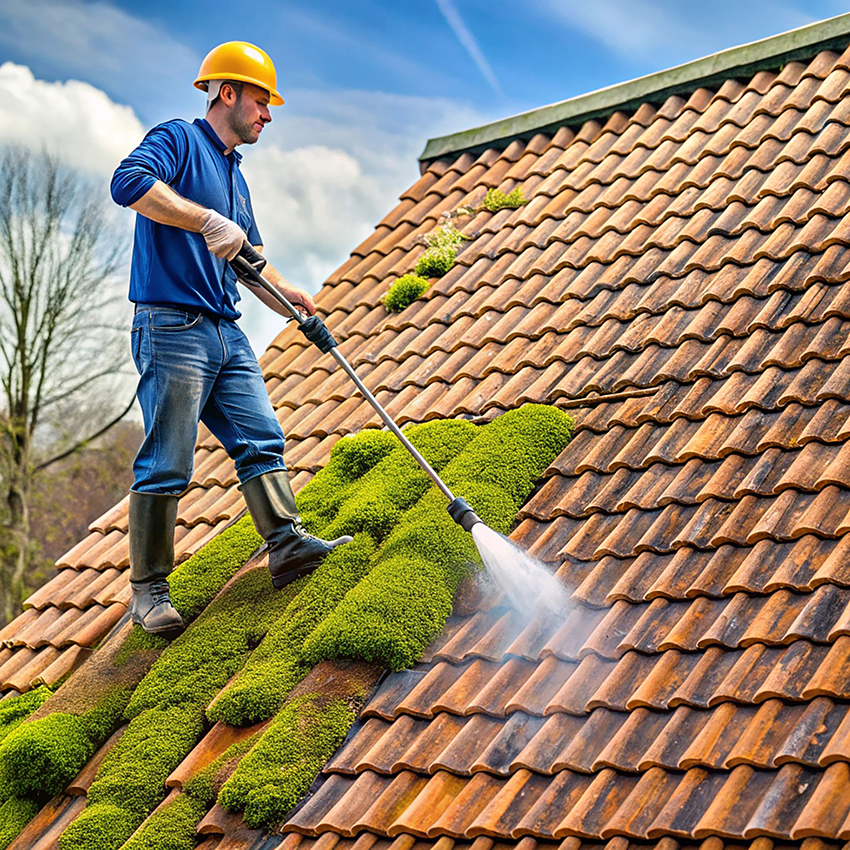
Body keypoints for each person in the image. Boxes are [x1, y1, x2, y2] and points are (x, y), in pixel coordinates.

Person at [110, 41, 351, 637]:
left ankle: (286, 545)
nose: (268, 114)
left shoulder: (236, 176)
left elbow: (251, 260)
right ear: (228, 93)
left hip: (225, 329)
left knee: (262, 437)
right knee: (168, 462)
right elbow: (127, 182)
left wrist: (288, 295)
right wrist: (203, 219)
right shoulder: (178, 140)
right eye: (262, 102)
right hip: (172, 327)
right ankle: (148, 592)